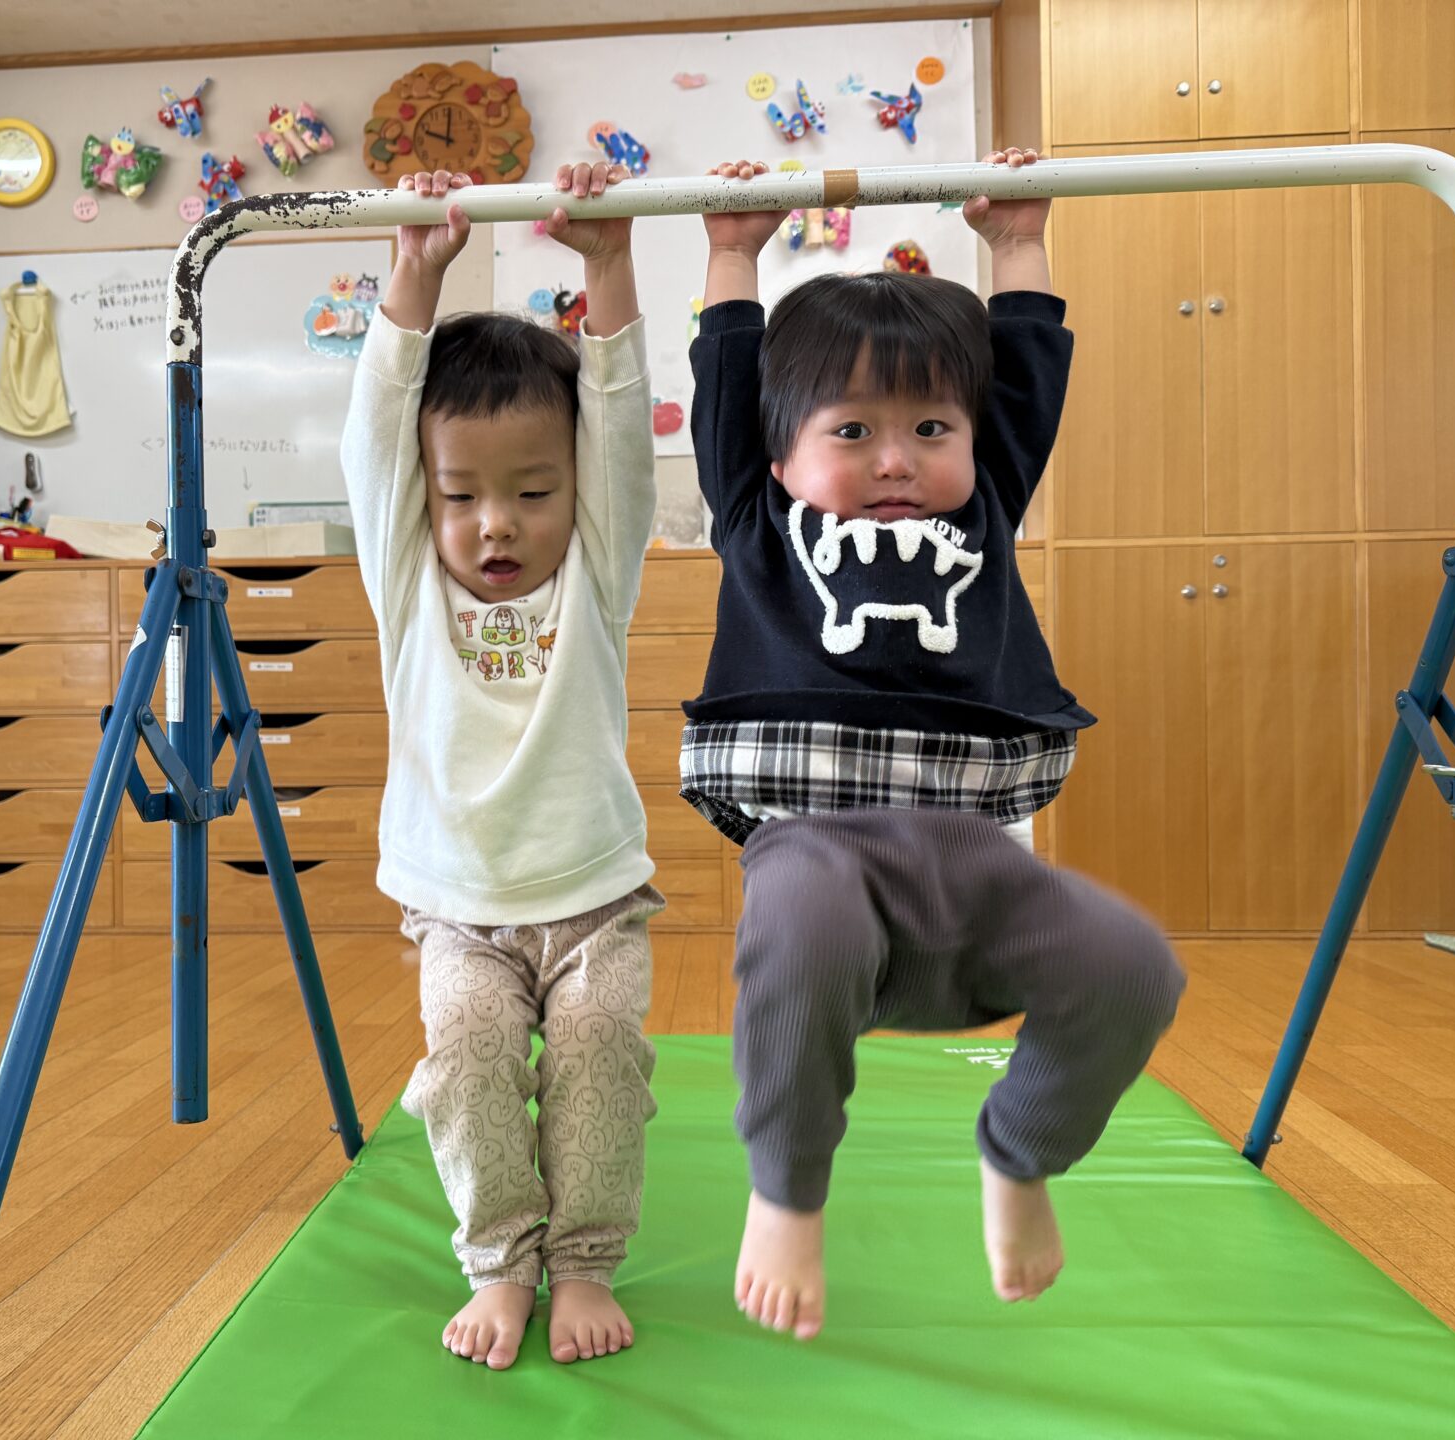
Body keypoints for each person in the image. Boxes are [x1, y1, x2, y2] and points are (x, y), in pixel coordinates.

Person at [679, 149, 1187, 1340]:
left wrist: (1017, 243)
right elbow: (729, 373)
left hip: (970, 859)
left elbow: (1027, 381)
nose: (897, 460)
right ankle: (786, 1192)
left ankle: (1020, 1153)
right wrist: (732, 253)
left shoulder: (984, 506)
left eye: (929, 429)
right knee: (808, 931)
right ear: (779, 453)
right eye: (853, 430)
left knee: (1131, 964)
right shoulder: (758, 517)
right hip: (816, 846)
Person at [340, 160, 662, 1370]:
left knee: (599, 1057)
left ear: (573, 492)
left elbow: (618, 428)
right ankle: (500, 1261)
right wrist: (414, 274)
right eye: (463, 495)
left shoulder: (596, 571)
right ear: (425, 501)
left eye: (533, 491)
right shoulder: (408, 584)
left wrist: (609, 263)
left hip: (593, 896)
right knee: (470, 1057)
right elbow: (378, 435)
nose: (496, 523)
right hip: (460, 906)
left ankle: (584, 1261)